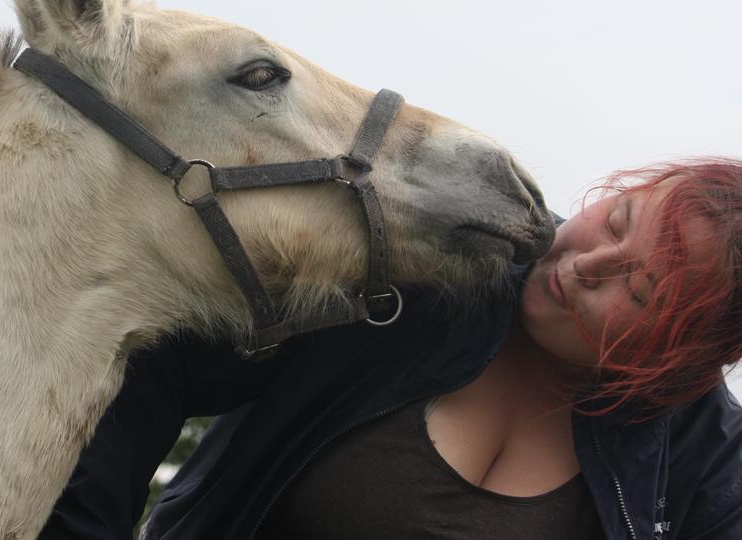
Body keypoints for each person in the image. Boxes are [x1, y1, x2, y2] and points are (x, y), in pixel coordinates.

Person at [40, 158, 742, 539]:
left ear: (679, 360)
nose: (589, 262)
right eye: (616, 220)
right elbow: (152, 354)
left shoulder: (705, 459)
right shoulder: (426, 264)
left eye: (640, 289)